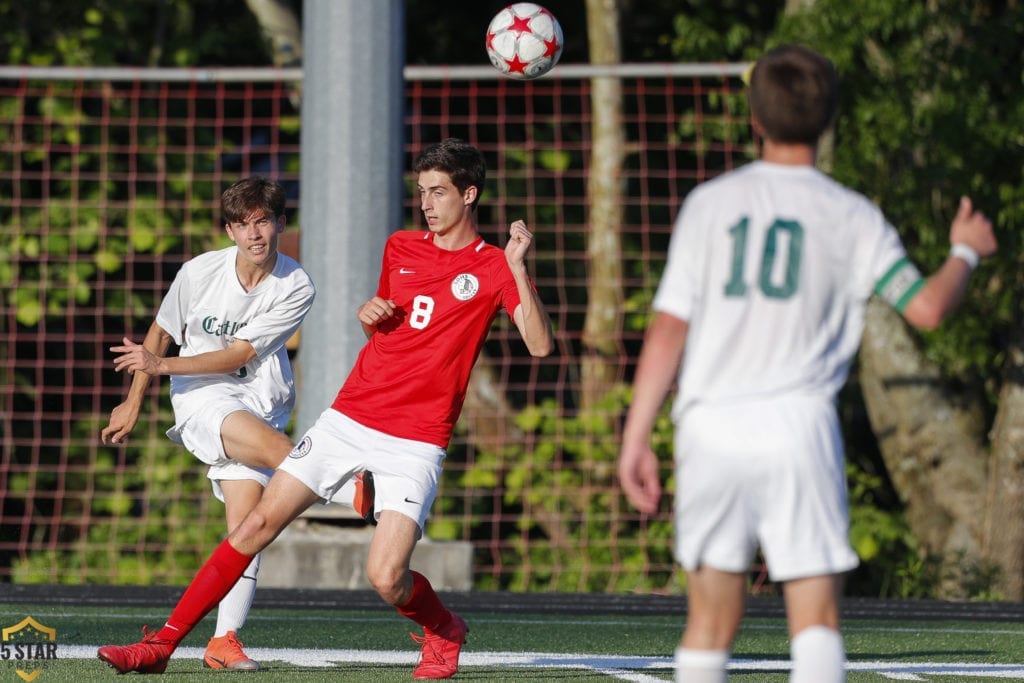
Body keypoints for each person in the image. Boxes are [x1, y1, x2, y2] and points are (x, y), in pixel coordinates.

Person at [97, 138, 555, 679]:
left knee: (386, 577)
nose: (427, 203)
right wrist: (370, 314)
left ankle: (444, 628)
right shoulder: (401, 246)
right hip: (348, 418)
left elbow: (540, 344)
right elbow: (385, 326)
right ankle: (161, 645)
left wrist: (518, 266)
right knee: (254, 525)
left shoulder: (495, 266)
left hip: (417, 439)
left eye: (438, 192)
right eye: (421, 191)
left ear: (469, 194)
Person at [617, 45, 997, 683]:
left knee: (709, 622)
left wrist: (636, 436)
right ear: (829, 121)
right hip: (798, 427)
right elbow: (928, 308)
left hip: (711, 426)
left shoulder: (709, 204)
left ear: (754, 119)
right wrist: (966, 250)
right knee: (815, 622)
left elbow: (668, 328)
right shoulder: (852, 215)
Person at [99, 175, 322, 671]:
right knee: (292, 458)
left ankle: (223, 641)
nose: (254, 234)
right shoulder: (198, 272)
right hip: (201, 397)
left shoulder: (296, 284)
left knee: (249, 528)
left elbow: (240, 354)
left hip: (260, 399)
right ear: (229, 231)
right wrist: (136, 400)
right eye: (243, 225)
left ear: (281, 223)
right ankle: (356, 493)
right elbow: (161, 332)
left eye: (263, 221)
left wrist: (160, 366)